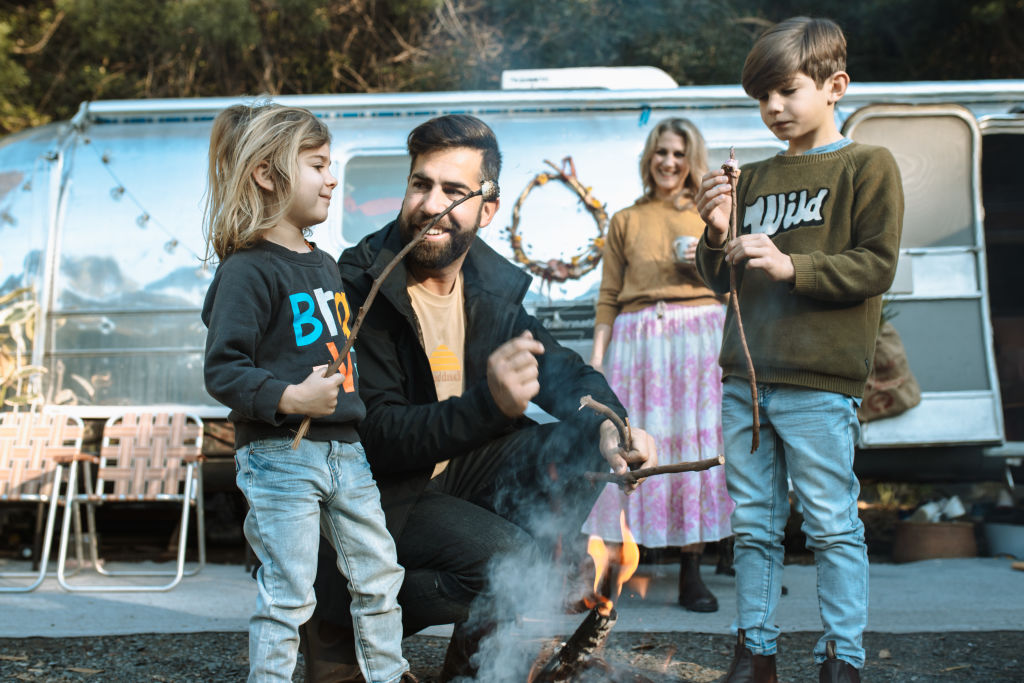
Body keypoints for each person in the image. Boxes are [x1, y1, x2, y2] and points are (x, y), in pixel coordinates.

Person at [302, 113, 657, 682]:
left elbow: (566, 373)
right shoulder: (363, 287)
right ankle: (341, 626)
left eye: (454, 191)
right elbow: (380, 438)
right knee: (511, 560)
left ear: (487, 209)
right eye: (421, 184)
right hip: (377, 494)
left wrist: (615, 426)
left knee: (581, 440)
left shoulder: (489, 289)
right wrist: (490, 407)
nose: (430, 204)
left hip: (451, 478)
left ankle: (471, 664)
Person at [694, 17, 903, 683]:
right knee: (753, 526)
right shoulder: (749, 177)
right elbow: (721, 279)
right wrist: (715, 231)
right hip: (745, 382)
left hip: (818, 380)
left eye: (785, 90)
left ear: (835, 85)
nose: (772, 108)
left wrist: (792, 268)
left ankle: (842, 657)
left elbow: (875, 266)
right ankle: (754, 651)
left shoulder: (866, 165)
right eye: (761, 98)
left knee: (833, 525)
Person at [201, 103, 414, 683]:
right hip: (281, 454)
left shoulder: (323, 263)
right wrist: (289, 398)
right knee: (289, 592)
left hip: (345, 449)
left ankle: (387, 676)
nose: (332, 178)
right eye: (317, 164)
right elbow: (223, 368)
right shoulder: (247, 271)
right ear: (268, 175)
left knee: (379, 575)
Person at [583, 117, 733, 613]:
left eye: (679, 153)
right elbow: (608, 296)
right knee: (631, 443)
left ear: (693, 161)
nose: (669, 162)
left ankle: (692, 570)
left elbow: (736, 287)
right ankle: (616, 565)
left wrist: (708, 256)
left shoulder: (711, 216)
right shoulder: (625, 218)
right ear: (650, 157)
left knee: (693, 444)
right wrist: (597, 361)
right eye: (661, 152)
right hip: (637, 340)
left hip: (697, 337)